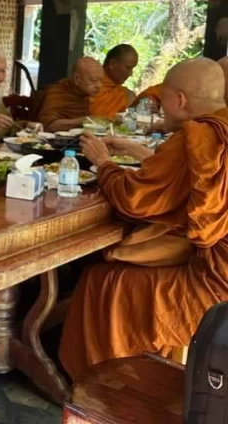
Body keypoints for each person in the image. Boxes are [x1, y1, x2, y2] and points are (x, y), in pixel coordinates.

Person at [60, 58, 228, 380]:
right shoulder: (219, 127)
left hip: (211, 286)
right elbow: (186, 173)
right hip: (219, 268)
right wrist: (130, 149)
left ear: (180, 100)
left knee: (101, 279)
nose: (160, 107)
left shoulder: (197, 137)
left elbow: (133, 200)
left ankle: (106, 379)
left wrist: (104, 163)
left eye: (162, 99)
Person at [37, 56, 104, 132]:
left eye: (101, 80)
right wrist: (81, 121)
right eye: (93, 80)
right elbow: (48, 125)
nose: (99, 85)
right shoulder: (59, 92)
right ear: (77, 79)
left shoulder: (83, 94)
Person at [90, 44, 138, 118]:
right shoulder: (86, 85)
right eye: (128, 68)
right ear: (112, 63)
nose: (131, 74)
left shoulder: (126, 96)